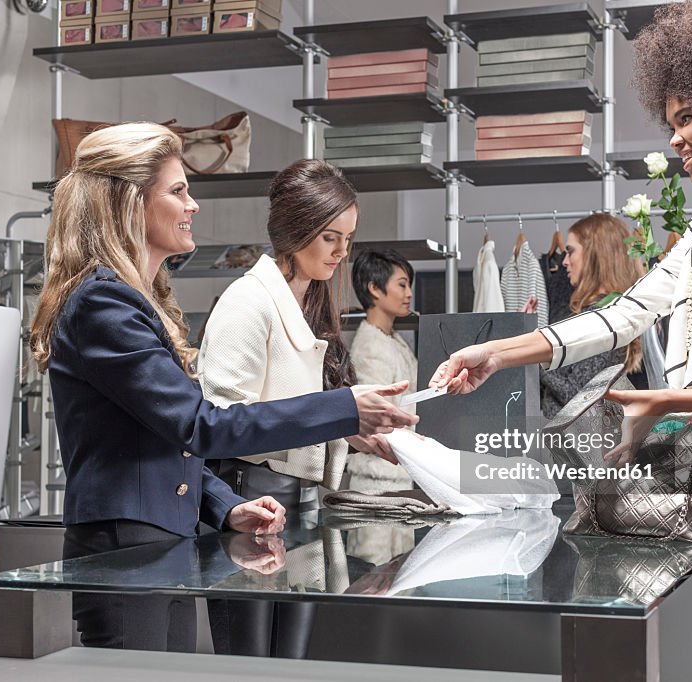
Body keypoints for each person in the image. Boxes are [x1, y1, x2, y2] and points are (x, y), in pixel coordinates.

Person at [431, 2, 692, 679]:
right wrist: (500, 351)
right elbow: (623, 315)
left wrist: (670, 403)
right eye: (672, 124)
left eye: (687, 117)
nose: (676, 141)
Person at [27, 123, 417, 649]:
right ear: (129, 204)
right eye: (179, 191)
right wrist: (343, 408)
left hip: (162, 541)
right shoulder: (104, 303)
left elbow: (169, 443)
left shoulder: (129, 302)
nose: (194, 206)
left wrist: (224, 506)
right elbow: (200, 426)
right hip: (125, 549)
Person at [196, 159, 392, 657]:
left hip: (304, 504)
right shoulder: (247, 302)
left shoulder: (310, 301)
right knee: (252, 663)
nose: (343, 252)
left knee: (290, 662)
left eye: (349, 238)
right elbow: (221, 424)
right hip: (253, 503)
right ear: (294, 230)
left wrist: (350, 430)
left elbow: (288, 398)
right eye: (331, 237)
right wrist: (340, 411)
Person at [537, 214, 646, 419]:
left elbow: (579, 396)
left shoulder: (602, 319)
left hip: (582, 444)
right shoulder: (612, 311)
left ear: (594, 255)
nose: (565, 262)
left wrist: (535, 357)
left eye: (571, 252)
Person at [347, 248, 418, 493]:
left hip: (397, 473)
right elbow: (373, 418)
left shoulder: (392, 339)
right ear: (374, 289)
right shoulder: (370, 346)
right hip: (377, 479)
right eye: (402, 285)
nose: (408, 294)